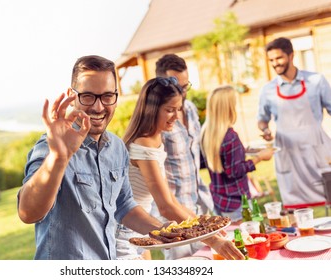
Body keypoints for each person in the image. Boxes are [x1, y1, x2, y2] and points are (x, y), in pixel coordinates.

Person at [17, 55, 164, 260]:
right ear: (71, 96)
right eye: (87, 96)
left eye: (106, 96)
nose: (98, 107)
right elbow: (27, 213)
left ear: (115, 96)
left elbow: (124, 206)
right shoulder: (49, 148)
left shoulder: (117, 148)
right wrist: (59, 158)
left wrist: (164, 231)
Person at [116, 77, 245, 260]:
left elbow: (172, 201)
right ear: (151, 109)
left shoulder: (154, 139)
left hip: (138, 230)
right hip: (124, 234)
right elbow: (166, 207)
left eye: (178, 109)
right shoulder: (143, 144)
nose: (176, 117)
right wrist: (212, 240)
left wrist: (205, 226)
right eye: (169, 110)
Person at [258, 37, 331, 208]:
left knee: (327, 199)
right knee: (295, 209)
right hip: (288, 153)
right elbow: (262, 119)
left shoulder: (316, 81)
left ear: (291, 56)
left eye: (279, 58)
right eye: (271, 60)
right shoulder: (267, 90)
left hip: (316, 150)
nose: (275, 63)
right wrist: (265, 130)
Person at [153, 54, 214, 259]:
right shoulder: (156, 120)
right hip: (174, 213)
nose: (183, 93)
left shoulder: (190, 109)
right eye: (178, 87)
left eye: (186, 86)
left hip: (200, 203)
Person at [200, 85, 274, 222]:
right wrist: (260, 158)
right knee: (248, 240)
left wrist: (242, 151)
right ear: (228, 108)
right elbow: (235, 171)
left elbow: (221, 159)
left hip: (219, 201)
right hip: (237, 204)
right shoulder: (230, 136)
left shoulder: (207, 133)